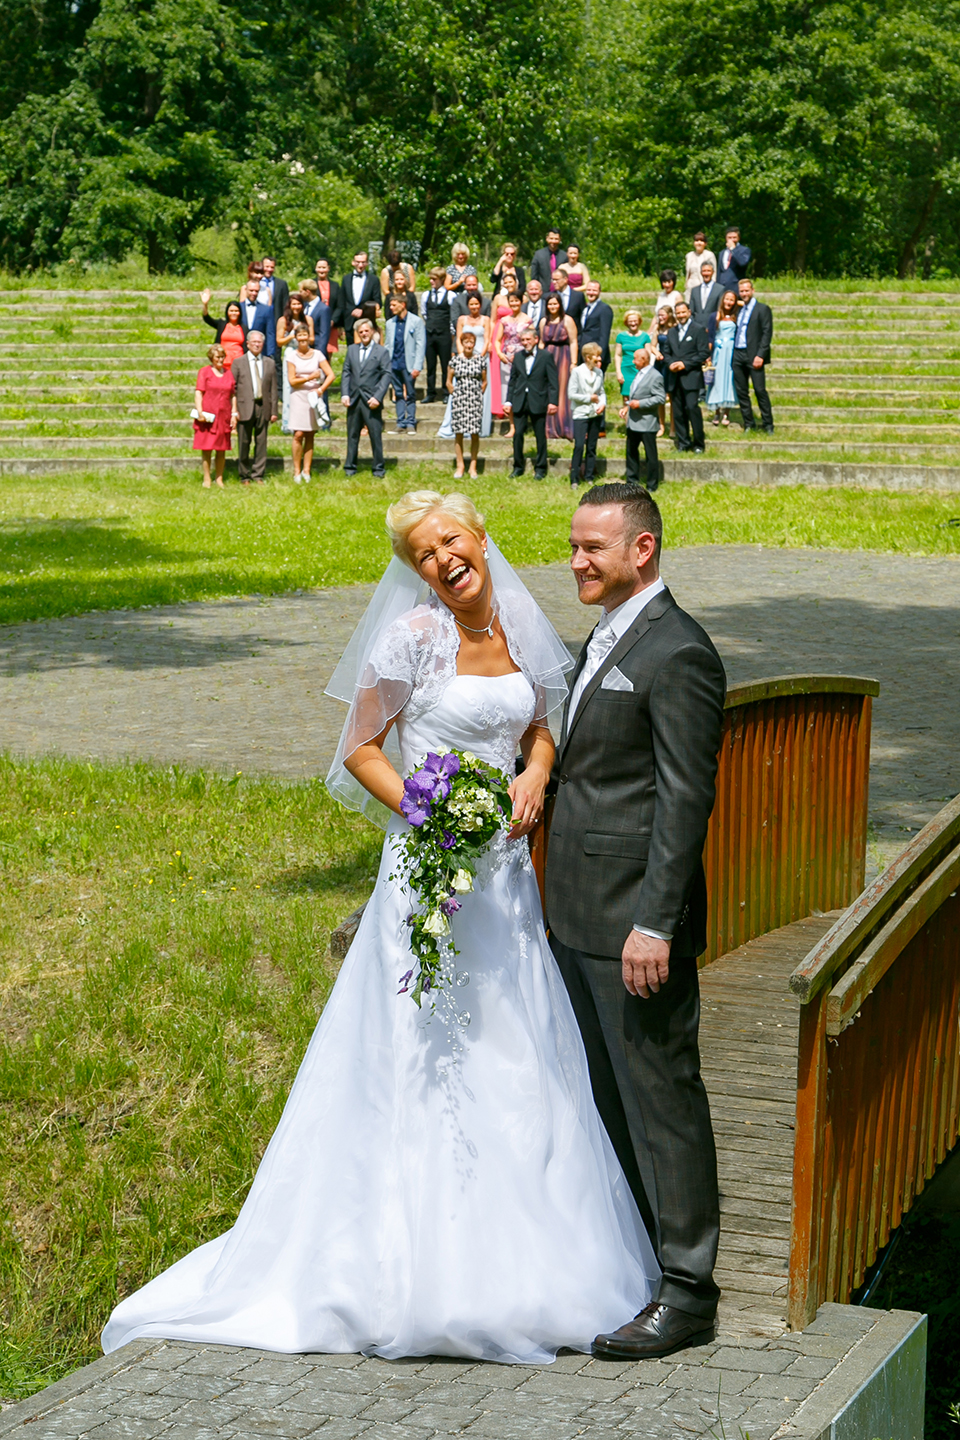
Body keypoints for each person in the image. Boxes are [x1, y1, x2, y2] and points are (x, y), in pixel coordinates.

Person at [101, 488, 660, 1364]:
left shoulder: (523, 626)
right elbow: (361, 749)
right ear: (418, 575)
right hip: (431, 875)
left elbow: (542, 726)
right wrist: (427, 813)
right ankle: (411, 1267)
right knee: (426, 1042)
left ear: (481, 537)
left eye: (450, 541)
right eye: (424, 557)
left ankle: (535, 1257)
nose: (443, 561)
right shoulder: (413, 640)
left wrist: (535, 776)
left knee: (520, 1048)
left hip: (506, 884)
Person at [546, 481, 726, 1360]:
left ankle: (689, 1291)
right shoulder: (606, 637)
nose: (576, 561)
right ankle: (639, 1266)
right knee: (609, 1100)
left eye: (592, 549)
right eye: (574, 546)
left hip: (631, 927)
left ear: (642, 551)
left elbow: (685, 804)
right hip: (574, 913)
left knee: (661, 1100)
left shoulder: (679, 653)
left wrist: (655, 924)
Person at [504, 326, 559, 478]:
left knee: (540, 435)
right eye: (523, 340)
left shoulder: (546, 356)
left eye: (528, 339)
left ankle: (540, 469)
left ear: (536, 340)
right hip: (520, 400)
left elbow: (553, 381)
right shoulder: (518, 356)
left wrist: (553, 401)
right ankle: (518, 467)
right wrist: (508, 401)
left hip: (538, 400)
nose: (525, 342)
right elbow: (513, 380)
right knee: (518, 435)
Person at [340, 318, 391, 478]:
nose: (364, 334)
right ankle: (350, 467)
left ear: (372, 332)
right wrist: (345, 393)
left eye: (366, 331)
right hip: (354, 399)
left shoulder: (381, 352)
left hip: (371, 401)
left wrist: (378, 397)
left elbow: (386, 374)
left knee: (375, 435)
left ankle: (378, 469)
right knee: (352, 435)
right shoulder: (352, 350)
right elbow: (346, 372)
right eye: (360, 332)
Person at [659, 299, 709, 453]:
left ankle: (699, 443)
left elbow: (703, 353)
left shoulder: (698, 329)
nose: (681, 315)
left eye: (683, 312)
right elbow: (666, 352)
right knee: (678, 411)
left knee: (692, 408)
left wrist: (684, 364)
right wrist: (671, 363)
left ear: (689, 313)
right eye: (678, 313)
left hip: (691, 377)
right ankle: (683, 442)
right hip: (674, 377)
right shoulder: (672, 331)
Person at [287, 323, 334, 483]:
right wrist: (309, 377)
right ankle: (296, 470)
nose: (302, 339)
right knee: (298, 434)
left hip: (313, 397)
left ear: (309, 337)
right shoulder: (292, 356)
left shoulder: (318, 354)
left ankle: (307, 471)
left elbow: (331, 375)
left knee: (310, 434)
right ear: (296, 338)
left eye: (304, 335)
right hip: (298, 396)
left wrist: (320, 390)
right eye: (299, 336)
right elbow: (292, 381)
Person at [230, 330, 277, 485]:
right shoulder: (238, 363)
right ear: (248, 344)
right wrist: (234, 410)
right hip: (244, 407)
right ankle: (244, 474)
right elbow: (233, 388)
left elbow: (273, 389)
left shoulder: (269, 363)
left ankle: (258, 474)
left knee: (261, 442)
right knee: (244, 442)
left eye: (260, 342)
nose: (257, 345)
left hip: (263, 406)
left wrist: (274, 411)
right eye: (254, 342)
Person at [732, 279, 774, 433]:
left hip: (754, 355)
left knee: (760, 390)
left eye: (746, 290)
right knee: (742, 391)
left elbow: (766, 333)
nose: (744, 293)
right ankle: (749, 423)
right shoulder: (739, 310)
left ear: (752, 290)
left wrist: (760, 355)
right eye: (741, 291)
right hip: (738, 353)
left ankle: (768, 424)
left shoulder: (762, 309)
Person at [620, 350, 665, 489]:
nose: (633, 362)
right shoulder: (638, 374)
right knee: (631, 452)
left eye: (635, 359)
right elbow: (635, 395)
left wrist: (640, 404)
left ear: (644, 359)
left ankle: (652, 484)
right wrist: (627, 408)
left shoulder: (655, 376)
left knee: (650, 455)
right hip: (633, 422)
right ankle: (632, 480)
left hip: (647, 422)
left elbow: (660, 398)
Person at [192, 344, 235, 488]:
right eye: (218, 357)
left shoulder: (229, 373)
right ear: (211, 358)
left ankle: (219, 478)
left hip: (224, 416)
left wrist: (234, 413)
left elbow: (232, 396)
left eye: (223, 356)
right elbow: (199, 392)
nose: (221, 359)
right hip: (208, 415)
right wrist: (199, 411)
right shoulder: (204, 372)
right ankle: (207, 478)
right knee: (207, 448)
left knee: (221, 449)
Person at [446, 328, 486, 478]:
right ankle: (460, 465)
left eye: (472, 342)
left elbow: (484, 381)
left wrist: (477, 395)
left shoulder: (480, 360)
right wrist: (456, 393)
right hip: (459, 400)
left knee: (474, 433)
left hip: (474, 400)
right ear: (461, 343)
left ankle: (473, 466)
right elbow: (449, 382)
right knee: (459, 433)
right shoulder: (455, 360)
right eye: (466, 342)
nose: (469, 345)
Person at [385, 292, 426, 434]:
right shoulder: (390, 323)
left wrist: (417, 366)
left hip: (408, 364)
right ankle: (400, 421)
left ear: (403, 305)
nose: (391, 308)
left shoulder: (416, 321)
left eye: (394, 305)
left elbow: (420, 345)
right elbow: (387, 345)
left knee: (410, 394)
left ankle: (410, 422)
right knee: (397, 393)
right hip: (394, 363)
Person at [539, 292, 577, 442]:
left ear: (560, 304)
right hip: (548, 356)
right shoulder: (544, 321)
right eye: (550, 304)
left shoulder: (567, 320)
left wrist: (573, 362)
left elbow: (573, 341)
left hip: (563, 356)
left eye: (555, 304)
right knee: (548, 388)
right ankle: (550, 427)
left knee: (562, 390)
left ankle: (564, 426)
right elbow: (542, 342)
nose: (552, 306)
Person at [568, 342, 606, 488]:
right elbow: (571, 394)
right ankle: (574, 478)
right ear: (588, 357)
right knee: (579, 446)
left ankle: (589, 475)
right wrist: (589, 398)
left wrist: (602, 403)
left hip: (594, 413)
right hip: (580, 413)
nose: (599, 359)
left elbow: (601, 392)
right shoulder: (577, 372)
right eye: (597, 356)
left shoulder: (599, 372)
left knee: (592, 446)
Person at [276, 295, 315, 434]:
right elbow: (279, 341)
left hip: (305, 353)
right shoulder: (283, 320)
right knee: (289, 387)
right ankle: (288, 423)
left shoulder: (308, 319)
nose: (296, 307)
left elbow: (312, 338)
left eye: (299, 304)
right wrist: (292, 335)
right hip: (291, 353)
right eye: (294, 304)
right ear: (289, 305)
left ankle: (305, 419)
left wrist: (302, 335)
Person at [492, 290, 526, 435]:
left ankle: (522, 424)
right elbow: (498, 340)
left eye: (516, 301)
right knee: (508, 391)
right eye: (511, 301)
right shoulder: (504, 321)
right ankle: (512, 426)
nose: (514, 303)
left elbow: (531, 340)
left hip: (523, 358)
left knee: (523, 390)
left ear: (521, 301)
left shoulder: (527, 320)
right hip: (507, 358)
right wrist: (500, 354)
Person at [705, 290, 739, 426]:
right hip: (718, 352)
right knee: (717, 380)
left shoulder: (737, 316)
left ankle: (727, 412)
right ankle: (717, 411)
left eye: (732, 300)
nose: (729, 302)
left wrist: (738, 302)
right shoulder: (715, 316)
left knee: (729, 380)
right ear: (722, 300)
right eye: (727, 299)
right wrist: (708, 355)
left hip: (731, 351)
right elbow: (710, 337)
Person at [420, 267, 453, 404]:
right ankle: (430, 392)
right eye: (431, 279)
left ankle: (446, 392)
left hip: (444, 334)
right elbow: (424, 313)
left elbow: (452, 315)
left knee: (446, 365)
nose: (431, 281)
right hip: (430, 334)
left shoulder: (450, 296)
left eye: (434, 279)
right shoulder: (425, 295)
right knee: (431, 365)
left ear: (441, 280)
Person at [340, 252, 382, 345]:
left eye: (363, 262)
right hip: (349, 322)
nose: (360, 265)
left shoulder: (373, 280)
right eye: (358, 262)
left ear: (367, 263)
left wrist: (363, 311)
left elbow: (377, 301)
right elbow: (342, 301)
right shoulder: (345, 279)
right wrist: (341, 325)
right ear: (353, 263)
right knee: (352, 352)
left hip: (367, 323)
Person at [651, 306, 677, 438]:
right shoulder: (658, 329)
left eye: (663, 315)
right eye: (659, 315)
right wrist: (656, 353)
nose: (660, 318)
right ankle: (661, 425)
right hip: (660, 364)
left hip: (671, 363)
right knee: (660, 397)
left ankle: (673, 427)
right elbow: (652, 345)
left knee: (672, 397)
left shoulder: (675, 328)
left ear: (669, 315)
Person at [615, 310, 652, 400]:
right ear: (626, 323)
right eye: (630, 321)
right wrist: (619, 372)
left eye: (635, 321)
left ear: (639, 321)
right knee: (626, 398)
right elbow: (618, 355)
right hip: (626, 369)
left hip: (640, 369)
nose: (633, 323)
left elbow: (648, 355)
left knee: (641, 396)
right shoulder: (621, 336)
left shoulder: (645, 336)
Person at [200, 293, 245, 365]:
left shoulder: (244, 328)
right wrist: (205, 304)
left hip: (239, 363)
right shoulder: (221, 324)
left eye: (236, 311)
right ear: (227, 312)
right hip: (222, 362)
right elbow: (207, 319)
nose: (234, 313)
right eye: (231, 311)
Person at [579, 281, 614, 372]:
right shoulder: (585, 308)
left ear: (599, 291)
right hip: (584, 354)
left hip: (595, 354)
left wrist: (599, 357)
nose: (591, 293)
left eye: (594, 290)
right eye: (589, 290)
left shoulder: (604, 309)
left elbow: (604, 335)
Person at [238, 279, 277, 359]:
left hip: (259, 350)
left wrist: (270, 353)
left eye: (256, 291)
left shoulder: (266, 309)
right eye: (251, 290)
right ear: (246, 290)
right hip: (240, 350)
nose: (254, 293)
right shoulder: (238, 308)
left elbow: (270, 333)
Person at [312, 259, 342, 355]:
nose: (321, 270)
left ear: (328, 269)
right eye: (319, 267)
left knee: (328, 352)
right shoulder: (311, 284)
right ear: (316, 269)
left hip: (331, 325)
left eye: (324, 267)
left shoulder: (335, 285)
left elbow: (339, 305)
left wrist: (333, 320)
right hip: (314, 325)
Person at [717, 228, 752, 293]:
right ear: (726, 238)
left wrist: (733, 249)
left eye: (734, 237)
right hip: (722, 288)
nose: (732, 240)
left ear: (738, 238)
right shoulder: (722, 252)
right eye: (729, 237)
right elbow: (719, 271)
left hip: (736, 288)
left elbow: (742, 263)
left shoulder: (744, 250)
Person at [683, 233, 717, 300]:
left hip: (703, 285)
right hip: (691, 285)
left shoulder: (709, 255)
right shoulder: (689, 255)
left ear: (705, 243)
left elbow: (714, 272)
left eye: (701, 241)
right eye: (697, 240)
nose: (699, 243)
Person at [259, 257, 289, 322]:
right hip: (259, 320)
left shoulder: (281, 284)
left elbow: (285, 305)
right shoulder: (255, 283)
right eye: (267, 266)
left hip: (276, 320)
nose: (269, 269)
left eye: (272, 267)